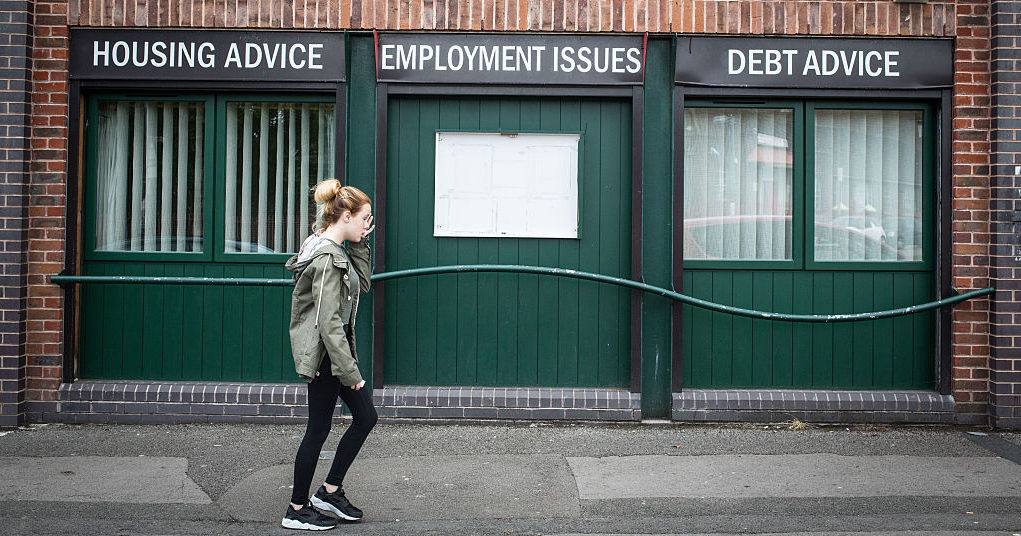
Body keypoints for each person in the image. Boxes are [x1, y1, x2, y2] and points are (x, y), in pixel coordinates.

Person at [282, 179, 377, 531]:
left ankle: (328, 491)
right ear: (347, 216)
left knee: (365, 417)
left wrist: (362, 243)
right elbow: (327, 322)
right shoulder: (325, 257)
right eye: (365, 219)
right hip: (327, 357)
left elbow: (362, 284)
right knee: (318, 430)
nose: (367, 224)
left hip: (336, 355)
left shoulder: (338, 250)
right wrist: (348, 371)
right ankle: (296, 509)